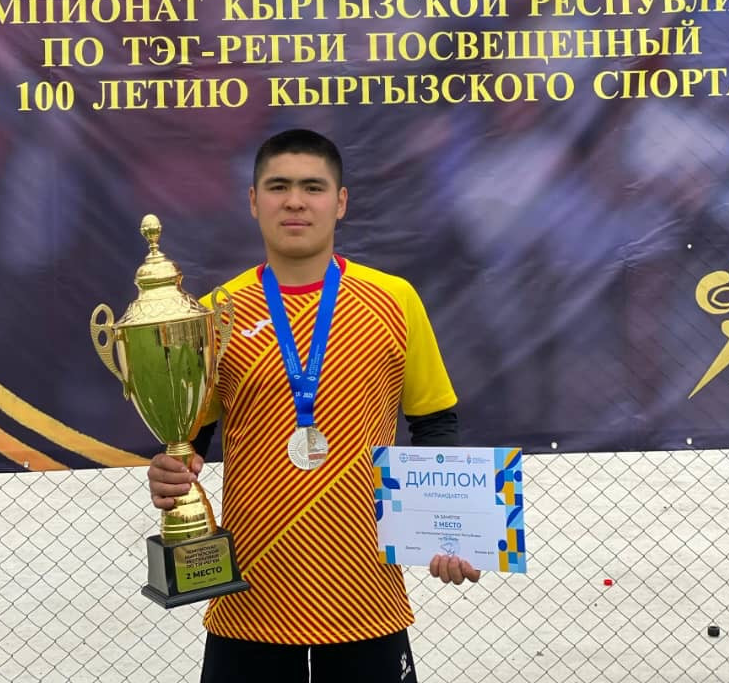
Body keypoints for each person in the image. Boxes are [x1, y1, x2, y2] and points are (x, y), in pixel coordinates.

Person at [148, 128, 480, 683]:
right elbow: (187, 440)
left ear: (340, 201)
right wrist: (169, 470)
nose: (295, 201)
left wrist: (449, 534)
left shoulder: (394, 300)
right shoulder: (211, 316)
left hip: (366, 597)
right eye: (278, 187)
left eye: (313, 187)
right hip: (251, 599)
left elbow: (435, 424)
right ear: (253, 201)